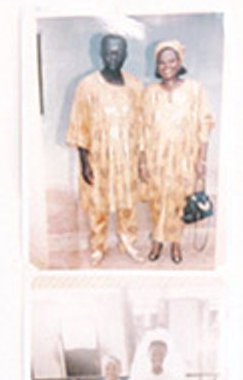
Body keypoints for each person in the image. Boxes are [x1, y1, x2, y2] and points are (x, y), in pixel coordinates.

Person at [62, 30, 142, 263]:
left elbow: (142, 122)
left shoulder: (135, 85)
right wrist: (84, 162)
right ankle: (98, 245)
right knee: (99, 202)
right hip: (99, 155)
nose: (113, 57)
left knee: (128, 201)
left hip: (128, 155)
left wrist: (142, 158)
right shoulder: (87, 85)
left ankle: (128, 241)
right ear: (101, 53)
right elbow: (79, 124)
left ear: (126, 54)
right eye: (109, 52)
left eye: (118, 52)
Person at [138, 39, 215, 265]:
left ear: (179, 61)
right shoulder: (150, 92)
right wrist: (142, 161)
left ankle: (175, 244)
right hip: (156, 158)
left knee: (180, 201)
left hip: (185, 157)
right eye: (162, 62)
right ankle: (157, 242)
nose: (167, 66)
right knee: (158, 201)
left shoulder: (194, 90)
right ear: (157, 65)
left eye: (171, 61)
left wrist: (201, 158)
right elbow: (142, 128)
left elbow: (205, 124)